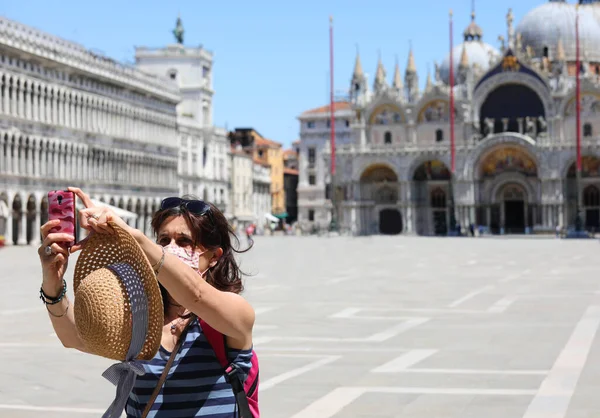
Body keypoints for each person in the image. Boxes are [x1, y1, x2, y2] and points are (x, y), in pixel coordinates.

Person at [38, 187, 256, 417]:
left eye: (184, 241)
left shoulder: (235, 313)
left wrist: (132, 237)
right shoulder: (141, 315)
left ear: (214, 257)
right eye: (164, 239)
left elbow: (196, 295)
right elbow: (76, 338)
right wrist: (52, 285)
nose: (171, 248)